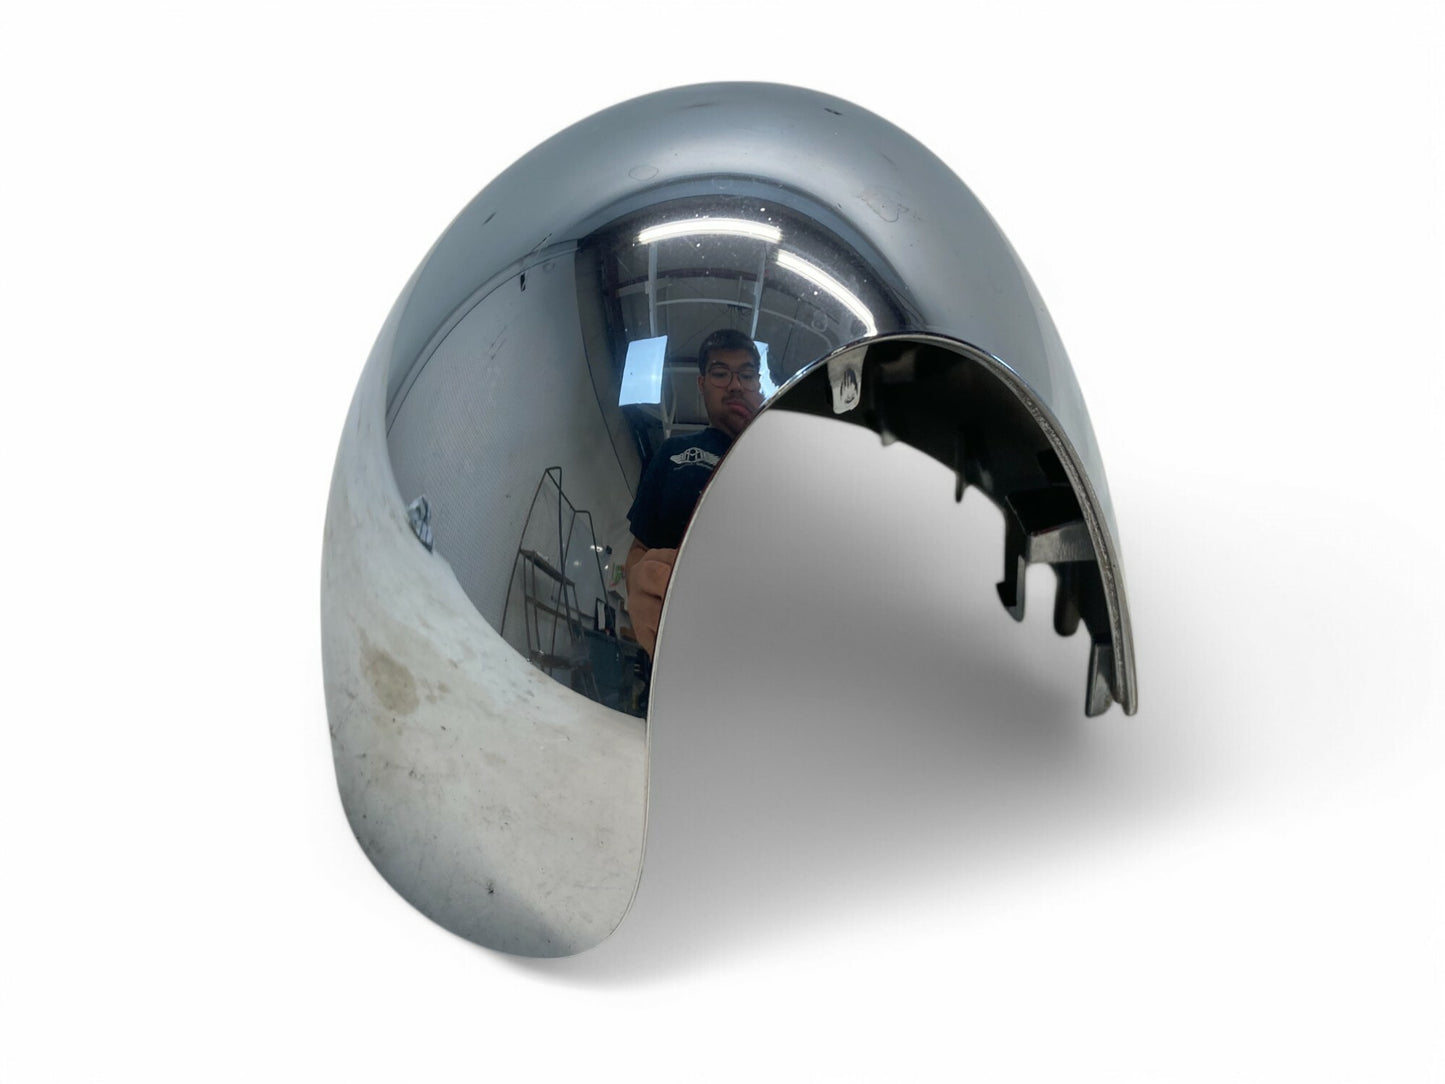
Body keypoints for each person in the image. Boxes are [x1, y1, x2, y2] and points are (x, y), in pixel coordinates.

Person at [624, 328, 764, 655]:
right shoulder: (673, 452)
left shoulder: (777, 458)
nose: (735, 385)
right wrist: (639, 591)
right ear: (701, 384)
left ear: (758, 384)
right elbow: (639, 549)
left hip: (760, 642)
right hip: (679, 643)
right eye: (720, 373)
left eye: (746, 375)